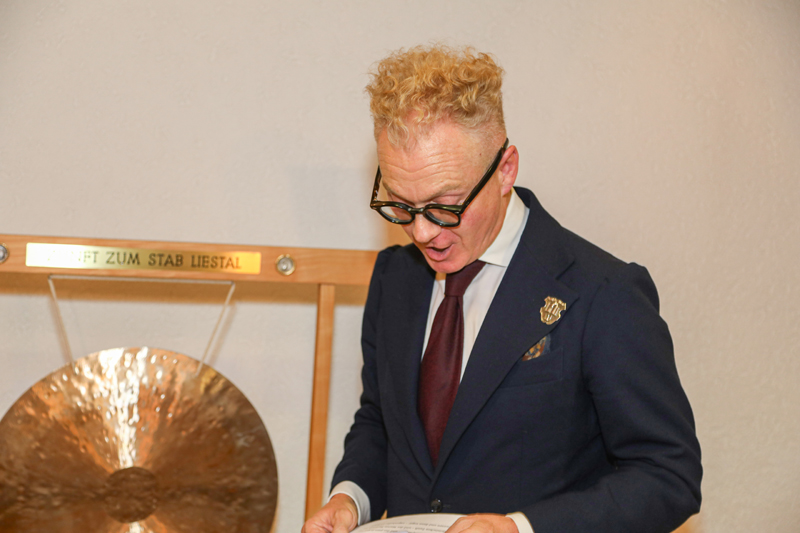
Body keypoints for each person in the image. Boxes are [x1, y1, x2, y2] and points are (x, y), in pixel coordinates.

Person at [302, 45, 701, 533]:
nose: (422, 232)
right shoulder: (394, 276)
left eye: (445, 206)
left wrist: (521, 528)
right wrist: (350, 499)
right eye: (401, 205)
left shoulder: (603, 292)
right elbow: (381, 423)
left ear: (505, 169)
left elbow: (668, 477)